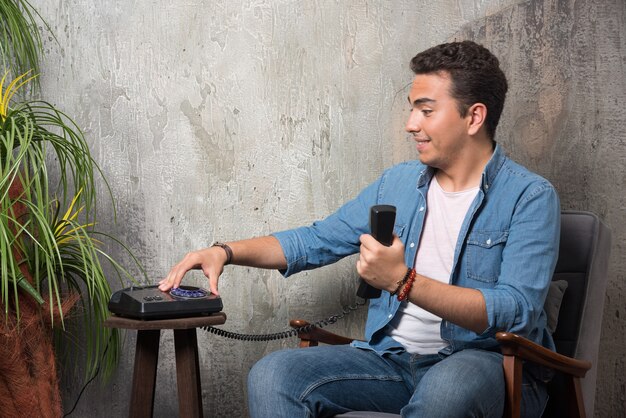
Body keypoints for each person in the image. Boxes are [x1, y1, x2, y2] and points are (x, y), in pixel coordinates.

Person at [159, 40, 560, 417]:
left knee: (447, 389)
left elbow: (515, 310)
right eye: (410, 109)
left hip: (486, 365)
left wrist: (403, 282)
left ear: (473, 116)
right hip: (392, 362)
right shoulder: (398, 184)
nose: (409, 124)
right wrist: (224, 251)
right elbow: (317, 240)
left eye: (425, 110)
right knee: (274, 375)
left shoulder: (530, 197)